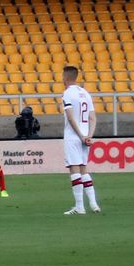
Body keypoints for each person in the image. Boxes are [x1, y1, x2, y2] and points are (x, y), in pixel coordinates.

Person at [60, 65, 100, 215]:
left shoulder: (67, 94)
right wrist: (88, 135)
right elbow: (92, 118)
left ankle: (80, 207)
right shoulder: (85, 93)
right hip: (85, 136)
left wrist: (80, 135)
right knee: (84, 169)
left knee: (74, 169)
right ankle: (94, 204)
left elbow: (70, 117)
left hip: (73, 136)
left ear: (66, 77)